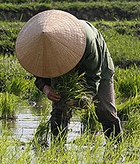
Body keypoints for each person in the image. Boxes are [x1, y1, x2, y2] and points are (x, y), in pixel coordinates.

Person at [15, 9, 121, 140]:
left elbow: (94, 74)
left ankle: (116, 145)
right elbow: (38, 69)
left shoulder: (89, 40)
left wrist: (88, 95)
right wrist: (45, 87)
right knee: (60, 108)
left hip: (99, 67)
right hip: (60, 65)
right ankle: (57, 148)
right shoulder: (39, 45)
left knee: (104, 109)